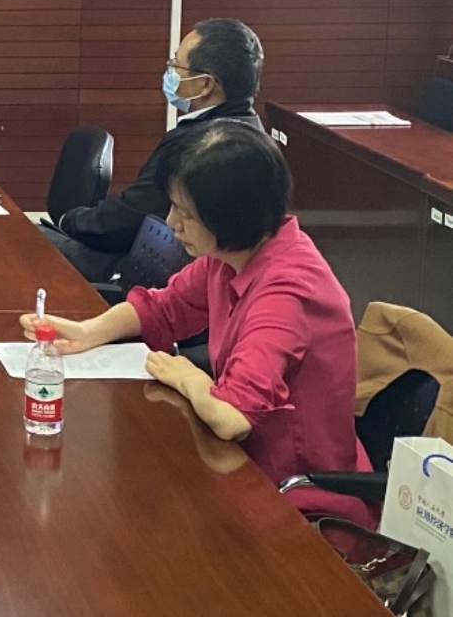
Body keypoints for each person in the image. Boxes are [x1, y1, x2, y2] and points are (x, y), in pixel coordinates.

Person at [21, 121, 372, 525]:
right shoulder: (232, 256)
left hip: (295, 499)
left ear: (230, 218)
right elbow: (163, 308)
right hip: (241, 467)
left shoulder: (289, 291)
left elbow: (231, 417)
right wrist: (88, 332)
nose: (171, 222)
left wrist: (188, 376)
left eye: (186, 214)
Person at [42, 18, 265, 282]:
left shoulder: (203, 146)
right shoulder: (253, 136)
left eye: (177, 66)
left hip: (137, 273)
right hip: (166, 269)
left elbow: (128, 220)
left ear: (205, 84)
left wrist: (71, 221)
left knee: (29, 243)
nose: (170, 73)